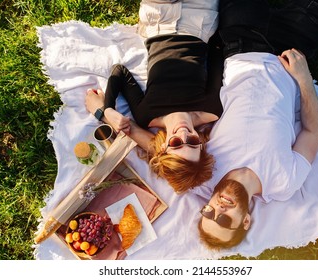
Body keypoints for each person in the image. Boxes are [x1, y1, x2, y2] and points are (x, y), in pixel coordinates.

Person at [198, 0, 318, 250]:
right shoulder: (283, 184)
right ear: (245, 221)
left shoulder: (204, 171)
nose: (218, 209)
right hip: (292, 49)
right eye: (224, 220)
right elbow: (313, 131)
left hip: (241, 43)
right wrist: (303, 77)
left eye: (209, 213)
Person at [85, 0, 224, 194]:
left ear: (165, 146)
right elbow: (218, 53)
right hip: (198, 21)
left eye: (176, 144)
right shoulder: (212, 110)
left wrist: (108, 109)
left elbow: (120, 72)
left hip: (158, 22)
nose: (183, 135)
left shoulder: (147, 116)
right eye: (192, 142)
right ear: (200, 143)